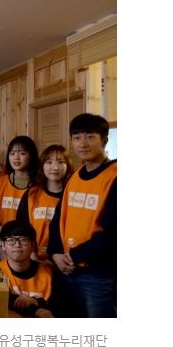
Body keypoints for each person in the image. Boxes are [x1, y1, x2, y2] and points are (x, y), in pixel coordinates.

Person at [48, 113, 116, 318]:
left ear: (104, 140)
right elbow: (58, 219)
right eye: (77, 137)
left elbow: (113, 233)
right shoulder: (75, 176)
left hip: (97, 274)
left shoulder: (115, 176)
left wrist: (74, 256)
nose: (82, 143)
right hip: (66, 268)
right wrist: (55, 252)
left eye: (90, 136)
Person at [0, 135, 39, 260]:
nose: (16, 157)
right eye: (12, 153)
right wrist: (3, 250)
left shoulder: (41, 185)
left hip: (33, 249)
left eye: (22, 153)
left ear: (31, 155)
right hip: (3, 248)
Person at [17, 144, 72, 261]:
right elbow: (21, 228)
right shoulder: (31, 195)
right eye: (49, 162)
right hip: (34, 259)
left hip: (66, 261)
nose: (55, 167)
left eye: (60, 162)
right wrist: (32, 255)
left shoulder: (74, 196)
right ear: (42, 166)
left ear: (68, 166)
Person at [0, 220, 54, 318]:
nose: (17, 245)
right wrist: (35, 309)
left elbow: (59, 307)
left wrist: (35, 301)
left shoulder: (49, 274)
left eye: (23, 240)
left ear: (33, 245)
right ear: (3, 245)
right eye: (11, 240)